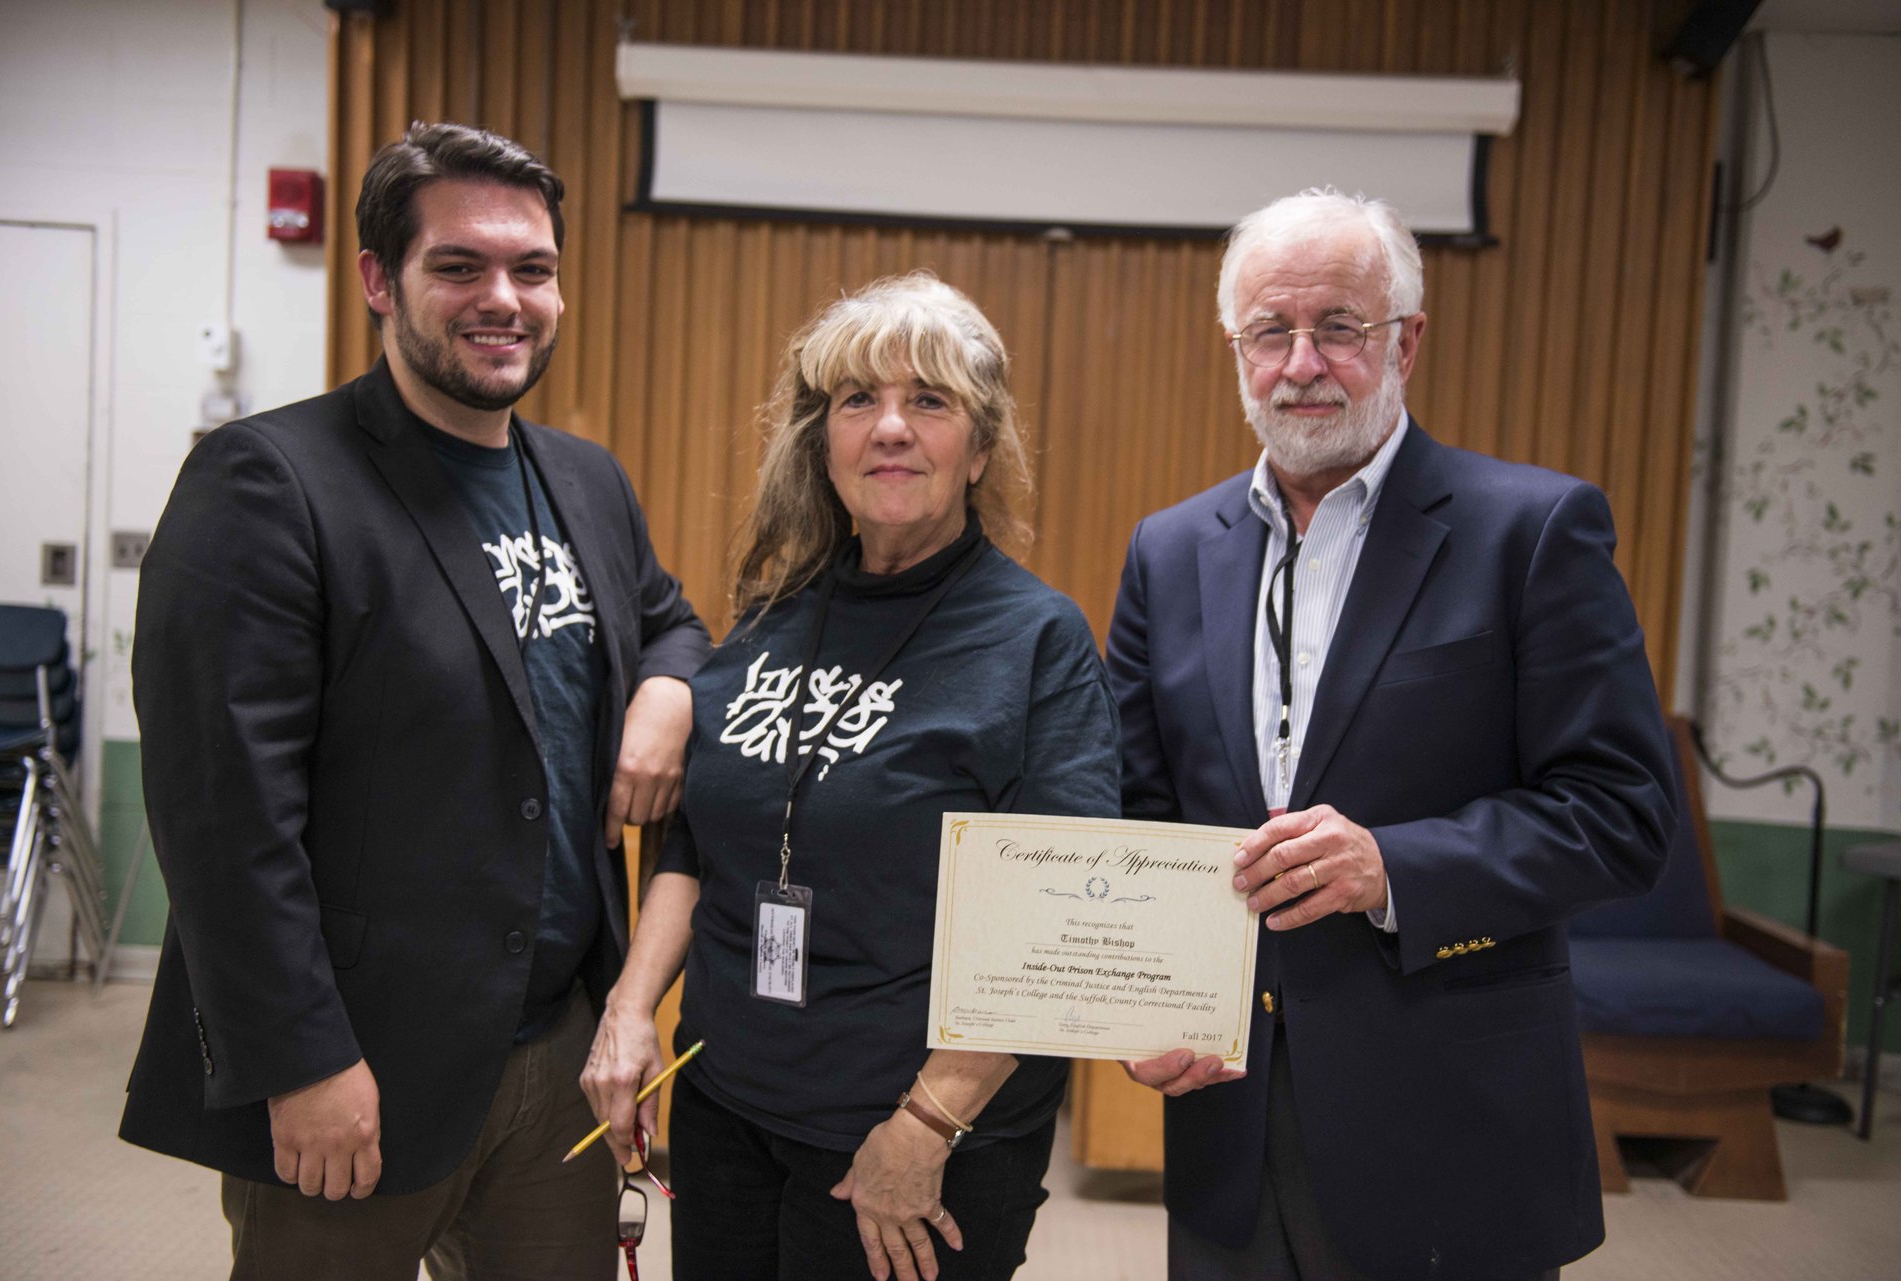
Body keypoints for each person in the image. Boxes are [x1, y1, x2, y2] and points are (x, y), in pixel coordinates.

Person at [120, 122, 711, 1280]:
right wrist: (300, 1060)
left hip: (557, 1050)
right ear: (380, 281)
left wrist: (670, 691)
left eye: (532, 269)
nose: (506, 299)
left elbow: (673, 618)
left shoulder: (584, 480)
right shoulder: (271, 482)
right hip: (360, 1064)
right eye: (460, 267)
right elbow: (220, 813)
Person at [1105, 189, 1677, 1281]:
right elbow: (1136, 809)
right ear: (1235, 347)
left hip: (1451, 1122)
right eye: (1270, 332)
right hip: (1227, 1117)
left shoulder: (1533, 530)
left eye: (1340, 328)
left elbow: (1623, 814)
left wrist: (1392, 866)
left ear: (1407, 340)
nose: (1302, 363)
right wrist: (1141, 998)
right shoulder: (1170, 551)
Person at [580, 271, 1121, 1281]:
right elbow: (700, 840)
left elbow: (1057, 927)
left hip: (915, 1135)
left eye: (930, 401)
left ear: (981, 446)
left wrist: (924, 1126)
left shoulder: (1035, 641)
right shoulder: (776, 614)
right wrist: (628, 1014)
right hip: (728, 1109)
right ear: (819, 439)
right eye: (858, 400)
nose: (890, 429)